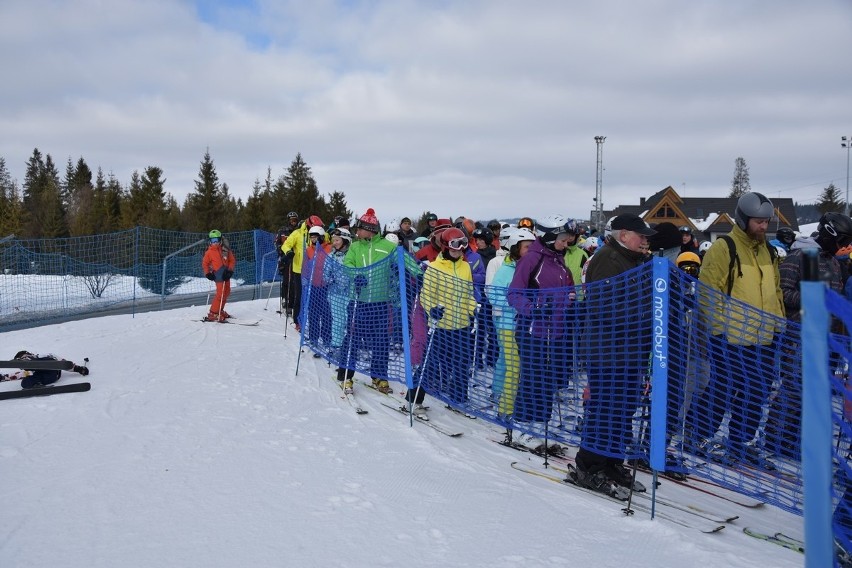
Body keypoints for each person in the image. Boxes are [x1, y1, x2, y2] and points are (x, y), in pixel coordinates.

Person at [695, 192, 785, 469]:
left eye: (766, 222)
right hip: (731, 337)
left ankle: (740, 442)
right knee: (722, 390)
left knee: (756, 393)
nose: (763, 227)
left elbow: (776, 291)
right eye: (758, 222)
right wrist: (718, 330)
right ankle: (698, 436)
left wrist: (779, 325)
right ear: (744, 219)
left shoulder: (768, 250)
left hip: (763, 338)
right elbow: (709, 292)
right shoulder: (725, 247)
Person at [574, 213, 656, 493]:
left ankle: (611, 462)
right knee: (604, 410)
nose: (645, 241)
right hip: (608, 352)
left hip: (630, 352)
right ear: (623, 235)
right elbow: (604, 307)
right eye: (641, 236)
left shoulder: (636, 261)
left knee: (622, 411)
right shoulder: (608, 259)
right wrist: (645, 315)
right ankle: (589, 466)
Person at [766, 212, 852, 460]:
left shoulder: (834, 263)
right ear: (829, 235)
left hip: (826, 338)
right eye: (842, 240)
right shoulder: (799, 255)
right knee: (793, 388)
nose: (843, 247)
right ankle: (774, 439)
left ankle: (794, 442)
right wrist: (814, 299)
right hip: (801, 334)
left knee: (814, 392)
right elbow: (782, 292)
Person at [507, 215, 576, 454]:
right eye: (562, 239)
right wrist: (535, 308)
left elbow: (568, 291)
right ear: (549, 237)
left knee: (548, 381)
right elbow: (513, 294)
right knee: (533, 378)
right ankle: (521, 427)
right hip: (532, 331)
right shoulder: (532, 260)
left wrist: (571, 301)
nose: (566, 243)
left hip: (555, 332)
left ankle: (539, 425)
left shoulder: (559, 263)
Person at [336, 208, 398, 393]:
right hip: (358, 301)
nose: (357, 232)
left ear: (369, 229)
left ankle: (379, 376)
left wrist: (418, 273)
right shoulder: (355, 247)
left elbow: (405, 262)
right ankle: (346, 376)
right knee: (353, 339)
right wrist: (357, 276)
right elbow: (348, 265)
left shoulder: (388, 247)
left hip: (381, 303)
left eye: (360, 228)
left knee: (381, 341)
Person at [416, 227, 478, 409]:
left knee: (461, 365)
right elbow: (425, 295)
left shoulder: (465, 266)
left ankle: (458, 399)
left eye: (462, 246)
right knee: (431, 365)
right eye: (454, 246)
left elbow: (468, 294)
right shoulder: (434, 268)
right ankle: (414, 401)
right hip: (441, 326)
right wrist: (432, 309)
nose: (458, 250)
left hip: (462, 326)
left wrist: (473, 309)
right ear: (445, 246)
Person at [487, 227, 536, 421]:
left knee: (520, 367)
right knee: (513, 366)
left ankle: (513, 402)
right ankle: (506, 409)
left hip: (525, 326)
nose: (530, 251)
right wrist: (514, 305)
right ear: (515, 248)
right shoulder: (505, 270)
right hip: (507, 324)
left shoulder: (531, 268)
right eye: (526, 247)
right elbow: (493, 295)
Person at [281, 215, 325, 332]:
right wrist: (289, 252)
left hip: (315, 271)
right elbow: (286, 245)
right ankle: (298, 321)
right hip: (299, 270)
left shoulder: (319, 234)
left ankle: (314, 322)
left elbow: (328, 241)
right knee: (300, 297)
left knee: (315, 298)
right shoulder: (297, 233)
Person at [304, 225, 333, 355]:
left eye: (315, 237)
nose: (313, 240)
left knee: (326, 313)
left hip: (326, 286)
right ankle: (313, 337)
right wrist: (305, 279)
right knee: (313, 313)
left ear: (321, 237)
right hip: (314, 286)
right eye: (311, 237)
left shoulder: (329, 248)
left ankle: (327, 339)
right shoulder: (309, 250)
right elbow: (305, 266)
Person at [2, 351, 89, 389]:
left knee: (34, 362)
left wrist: (78, 369)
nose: (24, 358)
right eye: (22, 359)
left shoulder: (43, 355)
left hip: (52, 370)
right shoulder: (30, 369)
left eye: (24, 357)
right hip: (46, 377)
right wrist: (3, 377)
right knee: (24, 383)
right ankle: (37, 385)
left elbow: (63, 363)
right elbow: (20, 374)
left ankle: (25, 361)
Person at [203, 229, 236, 322]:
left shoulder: (225, 249)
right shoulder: (209, 252)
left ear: (220, 240)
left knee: (227, 292)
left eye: (216, 240)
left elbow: (232, 261)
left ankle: (219, 310)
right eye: (212, 241)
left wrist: (230, 271)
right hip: (218, 275)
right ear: (210, 241)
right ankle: (213, 313)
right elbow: (205, 263)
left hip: (226, 274)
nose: (215, 243)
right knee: (220, 294)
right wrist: (208, 273)